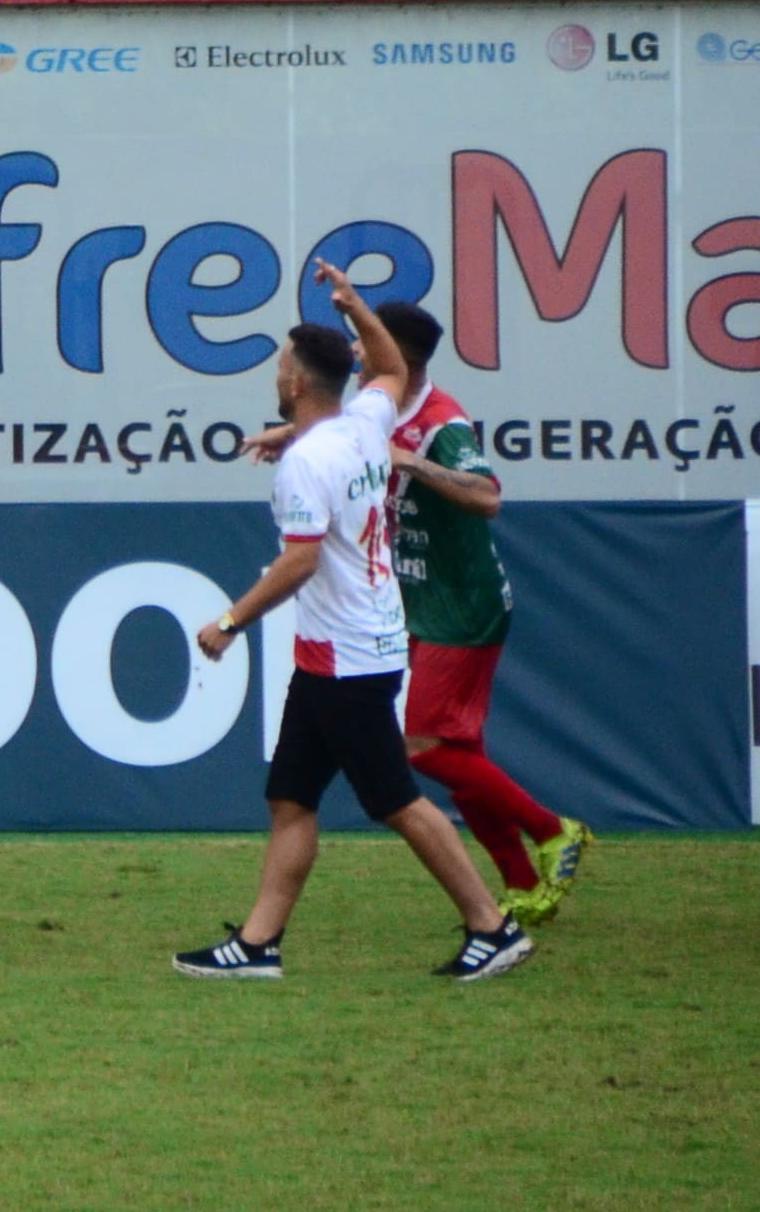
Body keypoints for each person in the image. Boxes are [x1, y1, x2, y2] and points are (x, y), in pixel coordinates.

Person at [173, 269, 532, 983]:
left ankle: (493, 928)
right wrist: (356, 307)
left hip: (348, 659)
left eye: (281, 367)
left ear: (297, 383)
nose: (277, 375)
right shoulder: (367, 422)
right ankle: (258, 945)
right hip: (341, 652)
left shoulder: (306, 462)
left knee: (396, 801)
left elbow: (300, 562)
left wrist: (230, 621)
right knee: (291, 797)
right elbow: (393, 368)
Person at [327, 280, 600, 927]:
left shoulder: (442, 422)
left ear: (394, 353)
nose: (356, 351)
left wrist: (411, 463)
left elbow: (487, 497)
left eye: (365, 341)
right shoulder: (375, 405)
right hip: (420, 602)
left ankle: (552, 829)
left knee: (421, 748)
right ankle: (521, 882)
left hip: (463, 607)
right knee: (459, 758)